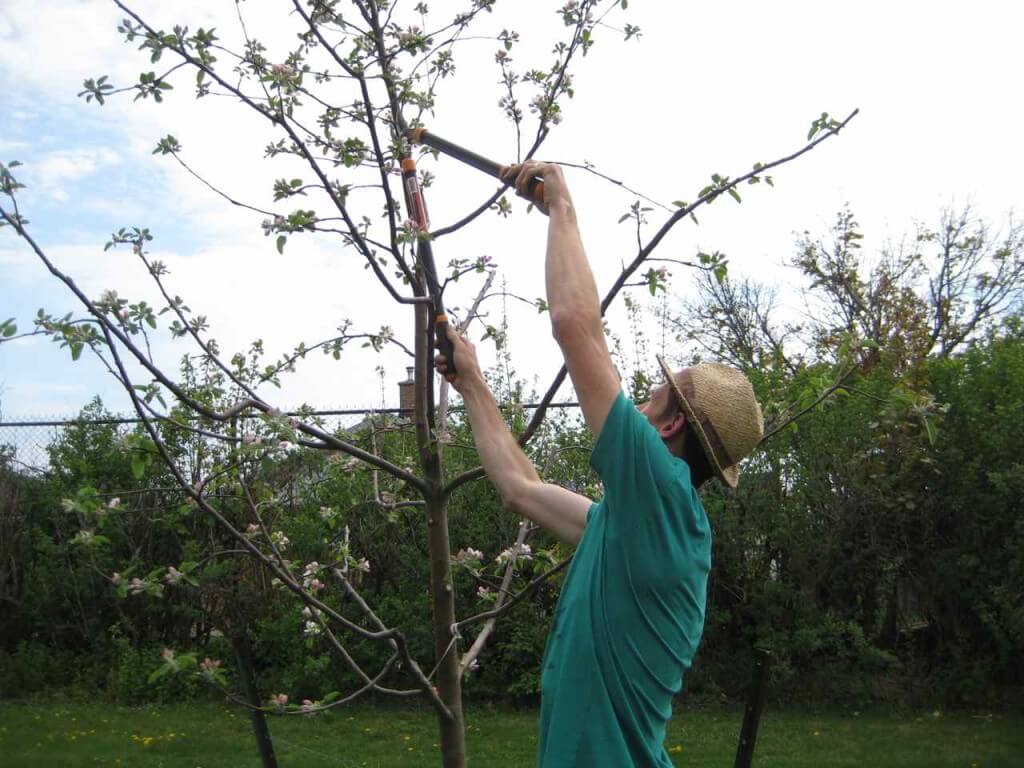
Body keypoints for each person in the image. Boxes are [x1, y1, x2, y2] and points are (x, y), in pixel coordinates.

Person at [433, 161, 764, 767]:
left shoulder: (662, 492)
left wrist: (561, 204)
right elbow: (520, 489)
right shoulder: (637, 528)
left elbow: (574, 326)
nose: (637, 401)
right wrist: (472, 383)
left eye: (656, 396)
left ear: (670, 427)